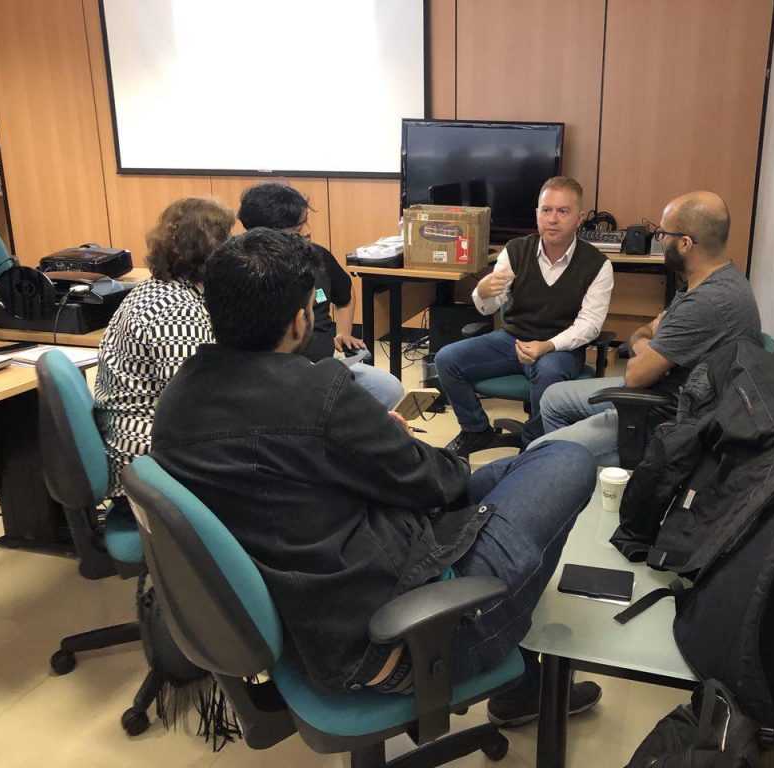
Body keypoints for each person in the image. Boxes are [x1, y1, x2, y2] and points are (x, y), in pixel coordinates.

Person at [148, 228, 603, 727]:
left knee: (511, 470)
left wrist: (375, 444)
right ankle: (521, 676)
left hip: (307, 610)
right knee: (566, 459)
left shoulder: (176, 401)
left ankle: (524, 673)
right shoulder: (317, 393)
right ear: (300, 321)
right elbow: (441, 482)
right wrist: (397, 442)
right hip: (401, 640)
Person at [531, 191, 762, 465]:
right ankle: (569, 470)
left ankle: (560, 463)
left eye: (663, 233)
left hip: (663, 416)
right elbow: (648, 332)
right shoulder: (710, 278)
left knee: (538, 450)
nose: (659, 240)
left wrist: (645, 346)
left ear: (685, 244)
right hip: (660, 388)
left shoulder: (707, 302)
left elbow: (635, 375)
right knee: (552, 398)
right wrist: (646, 344)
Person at [434, 176, 614, 454]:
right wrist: (482, 292)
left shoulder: (598, 264)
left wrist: (547, 346)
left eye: (563, 211)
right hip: (511, 341)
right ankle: (475, 430)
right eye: (546, 210)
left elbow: (589, 325)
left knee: (549, 372)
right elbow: (491, 305)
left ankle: (534, 445)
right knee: (446, 359)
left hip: (560, 348)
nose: (552, 219)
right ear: (537, 213)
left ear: (579, 218)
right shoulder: (516, 250)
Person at [94, 197, 234, 498]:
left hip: (140, 444)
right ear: (214, 249)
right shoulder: (176, 311)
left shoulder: (158, 288)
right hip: (147, 461)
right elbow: (193, 407)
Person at [237, 182, 404, 409]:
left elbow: (345, 295)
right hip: (278, 374)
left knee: (388, 388)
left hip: (325, 365)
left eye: (306, 221)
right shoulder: (249, 273)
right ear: (269, 234)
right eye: (298, 227)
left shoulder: (318, 256)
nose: (307, 231)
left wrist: (343, 333)